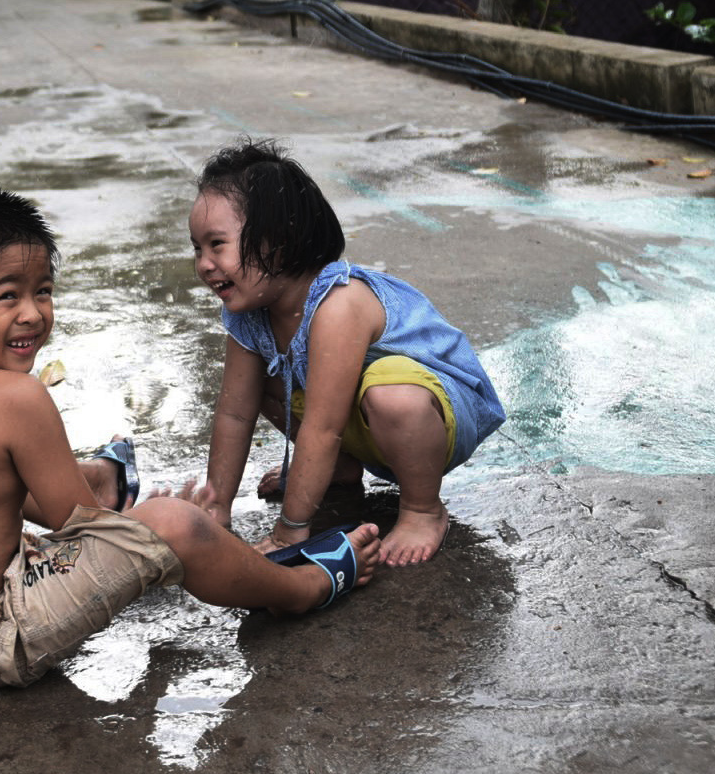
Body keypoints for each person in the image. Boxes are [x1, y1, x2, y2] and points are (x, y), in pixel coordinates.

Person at [0, 185, 382, 690]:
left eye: (43, 292)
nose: (33, 314)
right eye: (7, 296)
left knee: (2, 482)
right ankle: (303, 588)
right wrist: (153, 532)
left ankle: (108, 482)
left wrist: (128, 538)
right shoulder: (15, 398)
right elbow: (90, 535)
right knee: (176, 524)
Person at [186, 140, 505, 565]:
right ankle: (337, 469)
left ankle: (423, 507)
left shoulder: (339, 303)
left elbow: (322, 426)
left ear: (277, 242)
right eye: (197, 247)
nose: (204, 263)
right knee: (252, 384)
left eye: (217, 244)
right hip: (363, 421)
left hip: (436, 417)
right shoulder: (248, 315)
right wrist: (214, 507)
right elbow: (235, 414)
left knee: (390, 392)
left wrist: (290, 530)